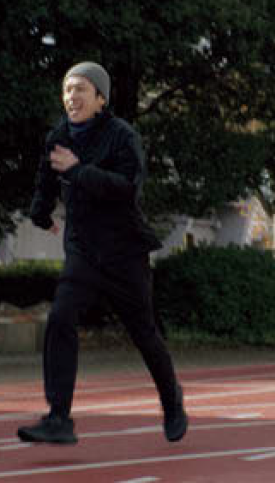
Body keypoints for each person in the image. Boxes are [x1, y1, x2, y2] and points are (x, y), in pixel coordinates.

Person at [17, 61, 187, 445]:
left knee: (144, 334)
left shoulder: (122, 136)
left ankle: (172, 399)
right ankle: (58, 418)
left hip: (124, 251)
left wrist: (78, 170)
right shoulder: (58, 136)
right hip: (83, 251)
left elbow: (127, 188)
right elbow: (46, 181)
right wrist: (40, 214)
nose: (71, 97)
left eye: (80, 89)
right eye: (67, 90)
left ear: (100, 98)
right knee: (60, 318)